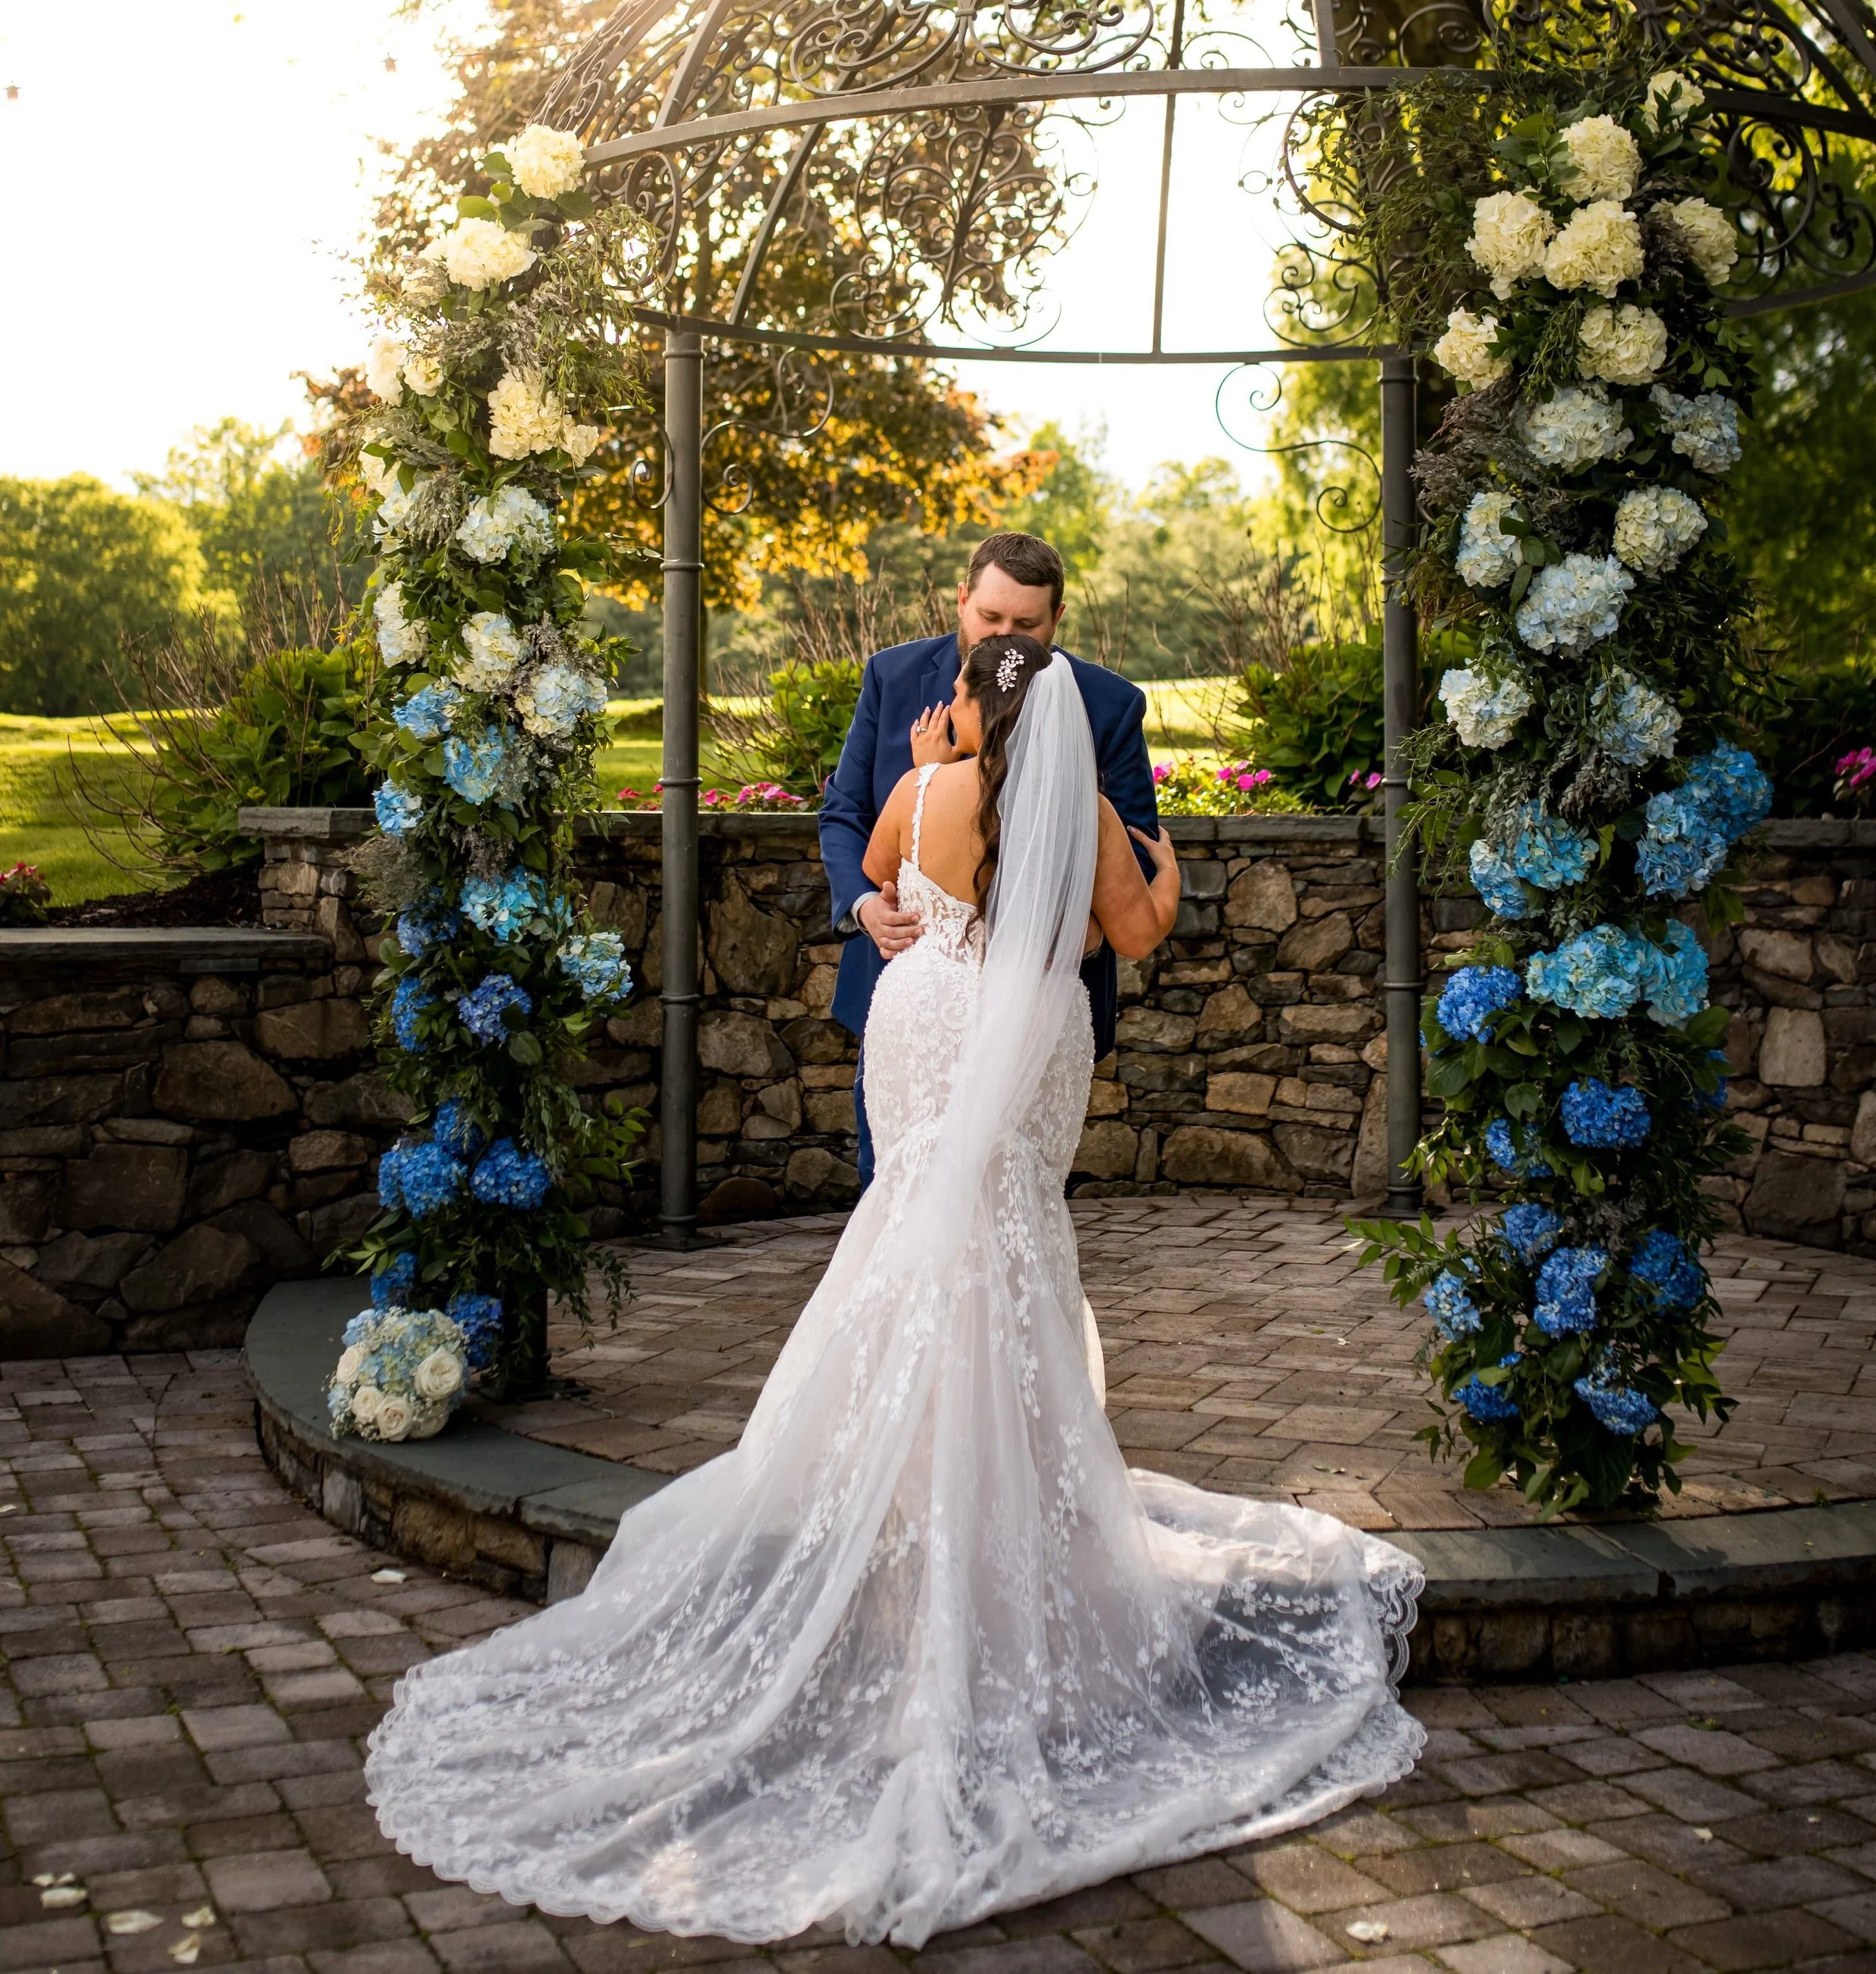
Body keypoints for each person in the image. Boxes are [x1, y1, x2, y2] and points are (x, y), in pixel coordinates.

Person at [365, 638, 1424, 1947]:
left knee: (912, 1226)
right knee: (1009, 1241)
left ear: (974, 709)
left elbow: (876, 877)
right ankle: (992, 1509)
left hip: (919, 1019)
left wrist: (930, 770)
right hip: (1026, 1016)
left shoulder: (925, 791)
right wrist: (1163, 858)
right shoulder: (1082, 809)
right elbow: (1138, 935)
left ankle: (899, 1495)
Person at [820, 528, 1158, 1181]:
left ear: (1058, 618)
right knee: (891, 1181)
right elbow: (844, 815)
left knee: (1015, 1194)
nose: (1003, 634)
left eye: (1025, 623)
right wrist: (864, 906)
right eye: (989, 616)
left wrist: (1061, 925)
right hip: (910, 1000)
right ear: (960, 600)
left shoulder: (1109, 705)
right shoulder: (892, 677)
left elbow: (1134, 857)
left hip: (1036, 1009)